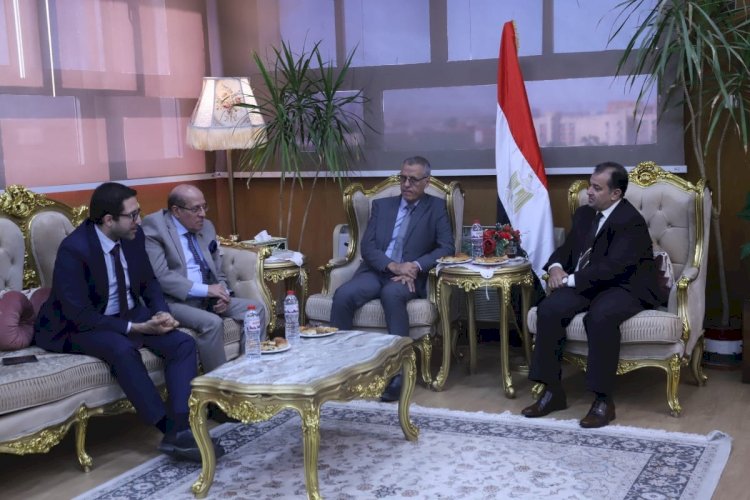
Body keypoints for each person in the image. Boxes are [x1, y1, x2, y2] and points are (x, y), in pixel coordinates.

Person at [34, 182, 222, 461]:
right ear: (109, 220)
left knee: (182, 343)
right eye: (132, 215)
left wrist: (161, 312)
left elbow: (149, 282)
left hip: (127, 312)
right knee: (122, 349)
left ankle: (183, 425)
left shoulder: (133, 236)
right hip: (77, 325)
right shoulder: (74, 249)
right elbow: (79, 314)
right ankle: (168, 429)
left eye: (138, 213)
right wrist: (134, 328)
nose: (139, 220)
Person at [521, 162, 666, 428]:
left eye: (597, 188)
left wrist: (569, 279)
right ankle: (552, 391)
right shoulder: (586, 214)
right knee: (549, 309)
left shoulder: (630, 221)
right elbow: (568, 249)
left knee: (600, 317)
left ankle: (603, 400)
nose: (588, 192)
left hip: (625, 286)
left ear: (615, 194)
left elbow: (614, 268)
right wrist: (555, 267)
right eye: (590, 185)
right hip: (590, 283)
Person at [330, 156, 454, 401]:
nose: (406, 184)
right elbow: (368, 247)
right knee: (343, 294)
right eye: (403, 178)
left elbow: (446, 247)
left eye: (413, 180)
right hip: (377, 271)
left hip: (409, 277)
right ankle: (338, 369)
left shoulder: (436, 208)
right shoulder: (382, 206)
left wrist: (415, 266)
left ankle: (397, 373)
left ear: (426, 181)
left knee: (391, 294)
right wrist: (393, 266)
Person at [142, 184, 266, 373]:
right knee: (212, 323)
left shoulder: (206, 227)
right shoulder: (155, 227)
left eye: (204, 206)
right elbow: (161, 276)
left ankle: (250, 371)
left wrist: (223, 294)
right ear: (176, 211)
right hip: (175, 301)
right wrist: (207, 290)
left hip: (208, 296)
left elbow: (217, 271)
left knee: (255, 310)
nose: (203, 214)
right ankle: (219, 383)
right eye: (195, 209)